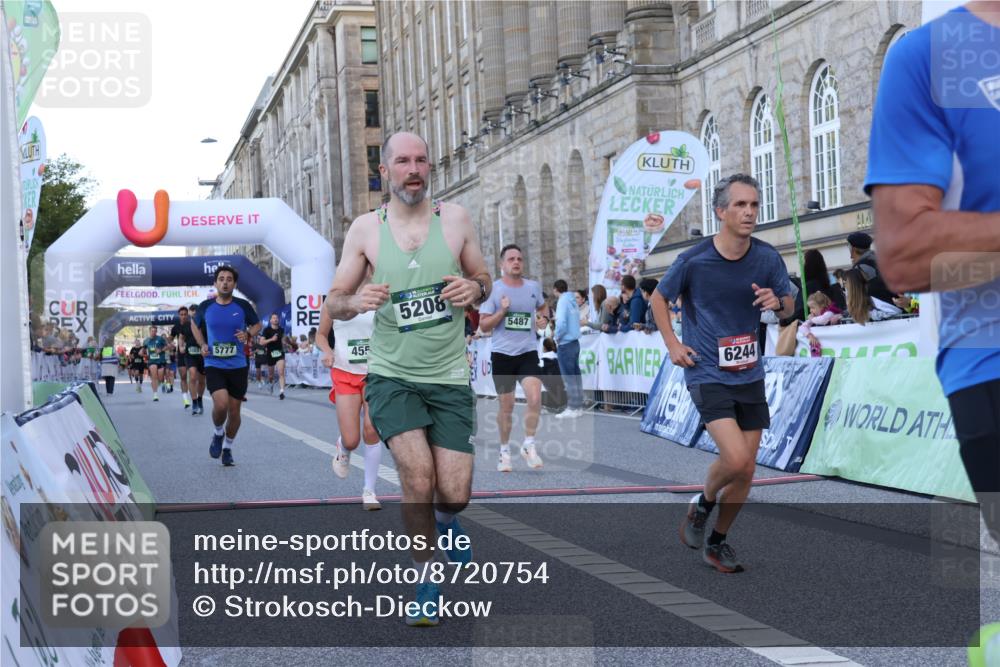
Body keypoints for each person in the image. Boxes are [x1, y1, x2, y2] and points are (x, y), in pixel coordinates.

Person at [324, 131, 490, 626]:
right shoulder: (365, 230)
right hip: (392, 375)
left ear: (428, 167)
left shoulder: (455, 219)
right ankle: (427, 581)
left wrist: (475, 289)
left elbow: (483, 278)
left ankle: (446, 520)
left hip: (449, 376)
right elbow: (334, 299)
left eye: (420, 160)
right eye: (402, 161)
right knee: (417, 478)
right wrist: (355, 301)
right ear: (385, 171)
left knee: (455, 493)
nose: (413, 169)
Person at [650, 173, 793, 574]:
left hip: (749, 372)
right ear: (720, 212)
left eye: (754, 205)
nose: (749, 212)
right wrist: (673, 345)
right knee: (735, 458)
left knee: (746, 470)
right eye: (740, 205)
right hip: (707, 371)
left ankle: (717, 541)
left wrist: (778, 302)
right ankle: (703, 503)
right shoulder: (694, 260)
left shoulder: (767, 257)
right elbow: (659, 299)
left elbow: (788, 306)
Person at [478, 244, 547, 472]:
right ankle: (504, 451)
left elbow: (543, 308)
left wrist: (544, 320)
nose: (516, 262)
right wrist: (502, 312)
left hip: (527, 352)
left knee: (535, 397)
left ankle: (529, 444)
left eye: (519, 259)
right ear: (502, 264)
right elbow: (484, 324)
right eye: (511, 259)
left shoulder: (533, 287)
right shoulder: (494, 290)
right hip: (502, 355)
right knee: (506, 407)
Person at [190, 265, 261, 467]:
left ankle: (228, 448)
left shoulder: (242, 305)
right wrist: (202, 344)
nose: (225, 282)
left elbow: (257, 324)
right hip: (214, 363)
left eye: (229, 279)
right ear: (215, 283)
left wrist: (248, 334)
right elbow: (194, 324)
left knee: (235, 412)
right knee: (221, 405)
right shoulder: (206, 306)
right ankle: (218, 433)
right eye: (221, 279)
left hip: (238, 365)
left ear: (234, 284)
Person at [316, 301, 383, 510]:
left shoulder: (380, 296)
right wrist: (327, 351)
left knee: (372, 430)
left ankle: (369, 491)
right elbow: (321, 335)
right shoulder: (334, 300)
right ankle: (344, 446)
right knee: (352, 440)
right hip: (345, 371)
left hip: (376, 371)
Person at [552, 279, 584, 419]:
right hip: (575, 341)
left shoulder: (562, 301)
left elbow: (561, 322)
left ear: (555, 289)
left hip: (565, 343)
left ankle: (572, 407)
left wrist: (556, 337)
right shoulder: (572, 300)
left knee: (568, 377)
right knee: (576, 376)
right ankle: (578, 406)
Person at [846, 231, 897, 304]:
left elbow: (859, 294)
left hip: (880, 308)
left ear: (853, 249)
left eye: (848, 246)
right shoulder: (878, 260)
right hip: (894, 305)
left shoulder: (862, 267)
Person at [179, 303, 207, 415]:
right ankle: (194, 402)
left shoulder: (205, 323)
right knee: (192, 375)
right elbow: (181, 337)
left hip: (202, 355)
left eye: (196, 310)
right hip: (190, 354)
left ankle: (200, 399)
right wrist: (181, 346)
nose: (194, 312)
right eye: (192, 310)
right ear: (190, 312)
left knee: (202, 381)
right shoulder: (186, 324)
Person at [170, 307, 192, 409]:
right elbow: (170, 339)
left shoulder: (192, 325)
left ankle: (195, 397)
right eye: (181, 314)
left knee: (193, 376)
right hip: (181, 354)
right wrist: (168, 342)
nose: (183, 316)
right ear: (179, 315)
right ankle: (185, 399)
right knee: (183, 376)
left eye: (185, 314)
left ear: (188, 315)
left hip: (192, 353)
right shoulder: (176, 327)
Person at [261, 313, 287, 399]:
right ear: (270, 320)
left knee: (281, 372)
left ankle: (282, 392)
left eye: (277, 318)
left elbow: (283, 339)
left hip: (280, 353)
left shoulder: (281, 330)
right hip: (270, 354)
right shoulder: (266, 330)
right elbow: (261, 342)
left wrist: (286, 343)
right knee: (271, 376)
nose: (275, 319)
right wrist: (271, 339)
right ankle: (271, 383)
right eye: (274, 318)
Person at [143, 325, 168, 401]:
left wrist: (161, 350)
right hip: (152, 361)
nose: (153, 332)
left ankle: (161, 383)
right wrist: (143, 353)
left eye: (155, 331)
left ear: (156, 332)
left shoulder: (160, 339)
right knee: (154, 377)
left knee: (160, 378)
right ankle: (155, 395)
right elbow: (144, 350)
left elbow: (167, 346)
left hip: (160, 360)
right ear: (149, 331)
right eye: (152, 331)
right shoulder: (146, 341)